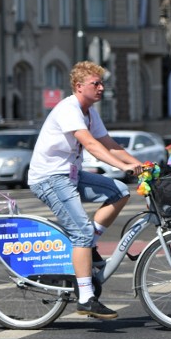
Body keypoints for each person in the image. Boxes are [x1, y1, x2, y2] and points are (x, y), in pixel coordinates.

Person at [27, 61, 143, 319]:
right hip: (50, 178)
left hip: (71, 174)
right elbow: (90, 144)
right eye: (96, 84)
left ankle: (89, 246)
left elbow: (107, 142)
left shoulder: (89, 111)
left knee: (119, 192)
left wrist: (138, 164)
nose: (101, 88)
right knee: (80, 233)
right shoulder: (69, 109)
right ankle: (86, 298)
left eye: (102, 83)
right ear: (79, 87)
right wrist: (121, 166)